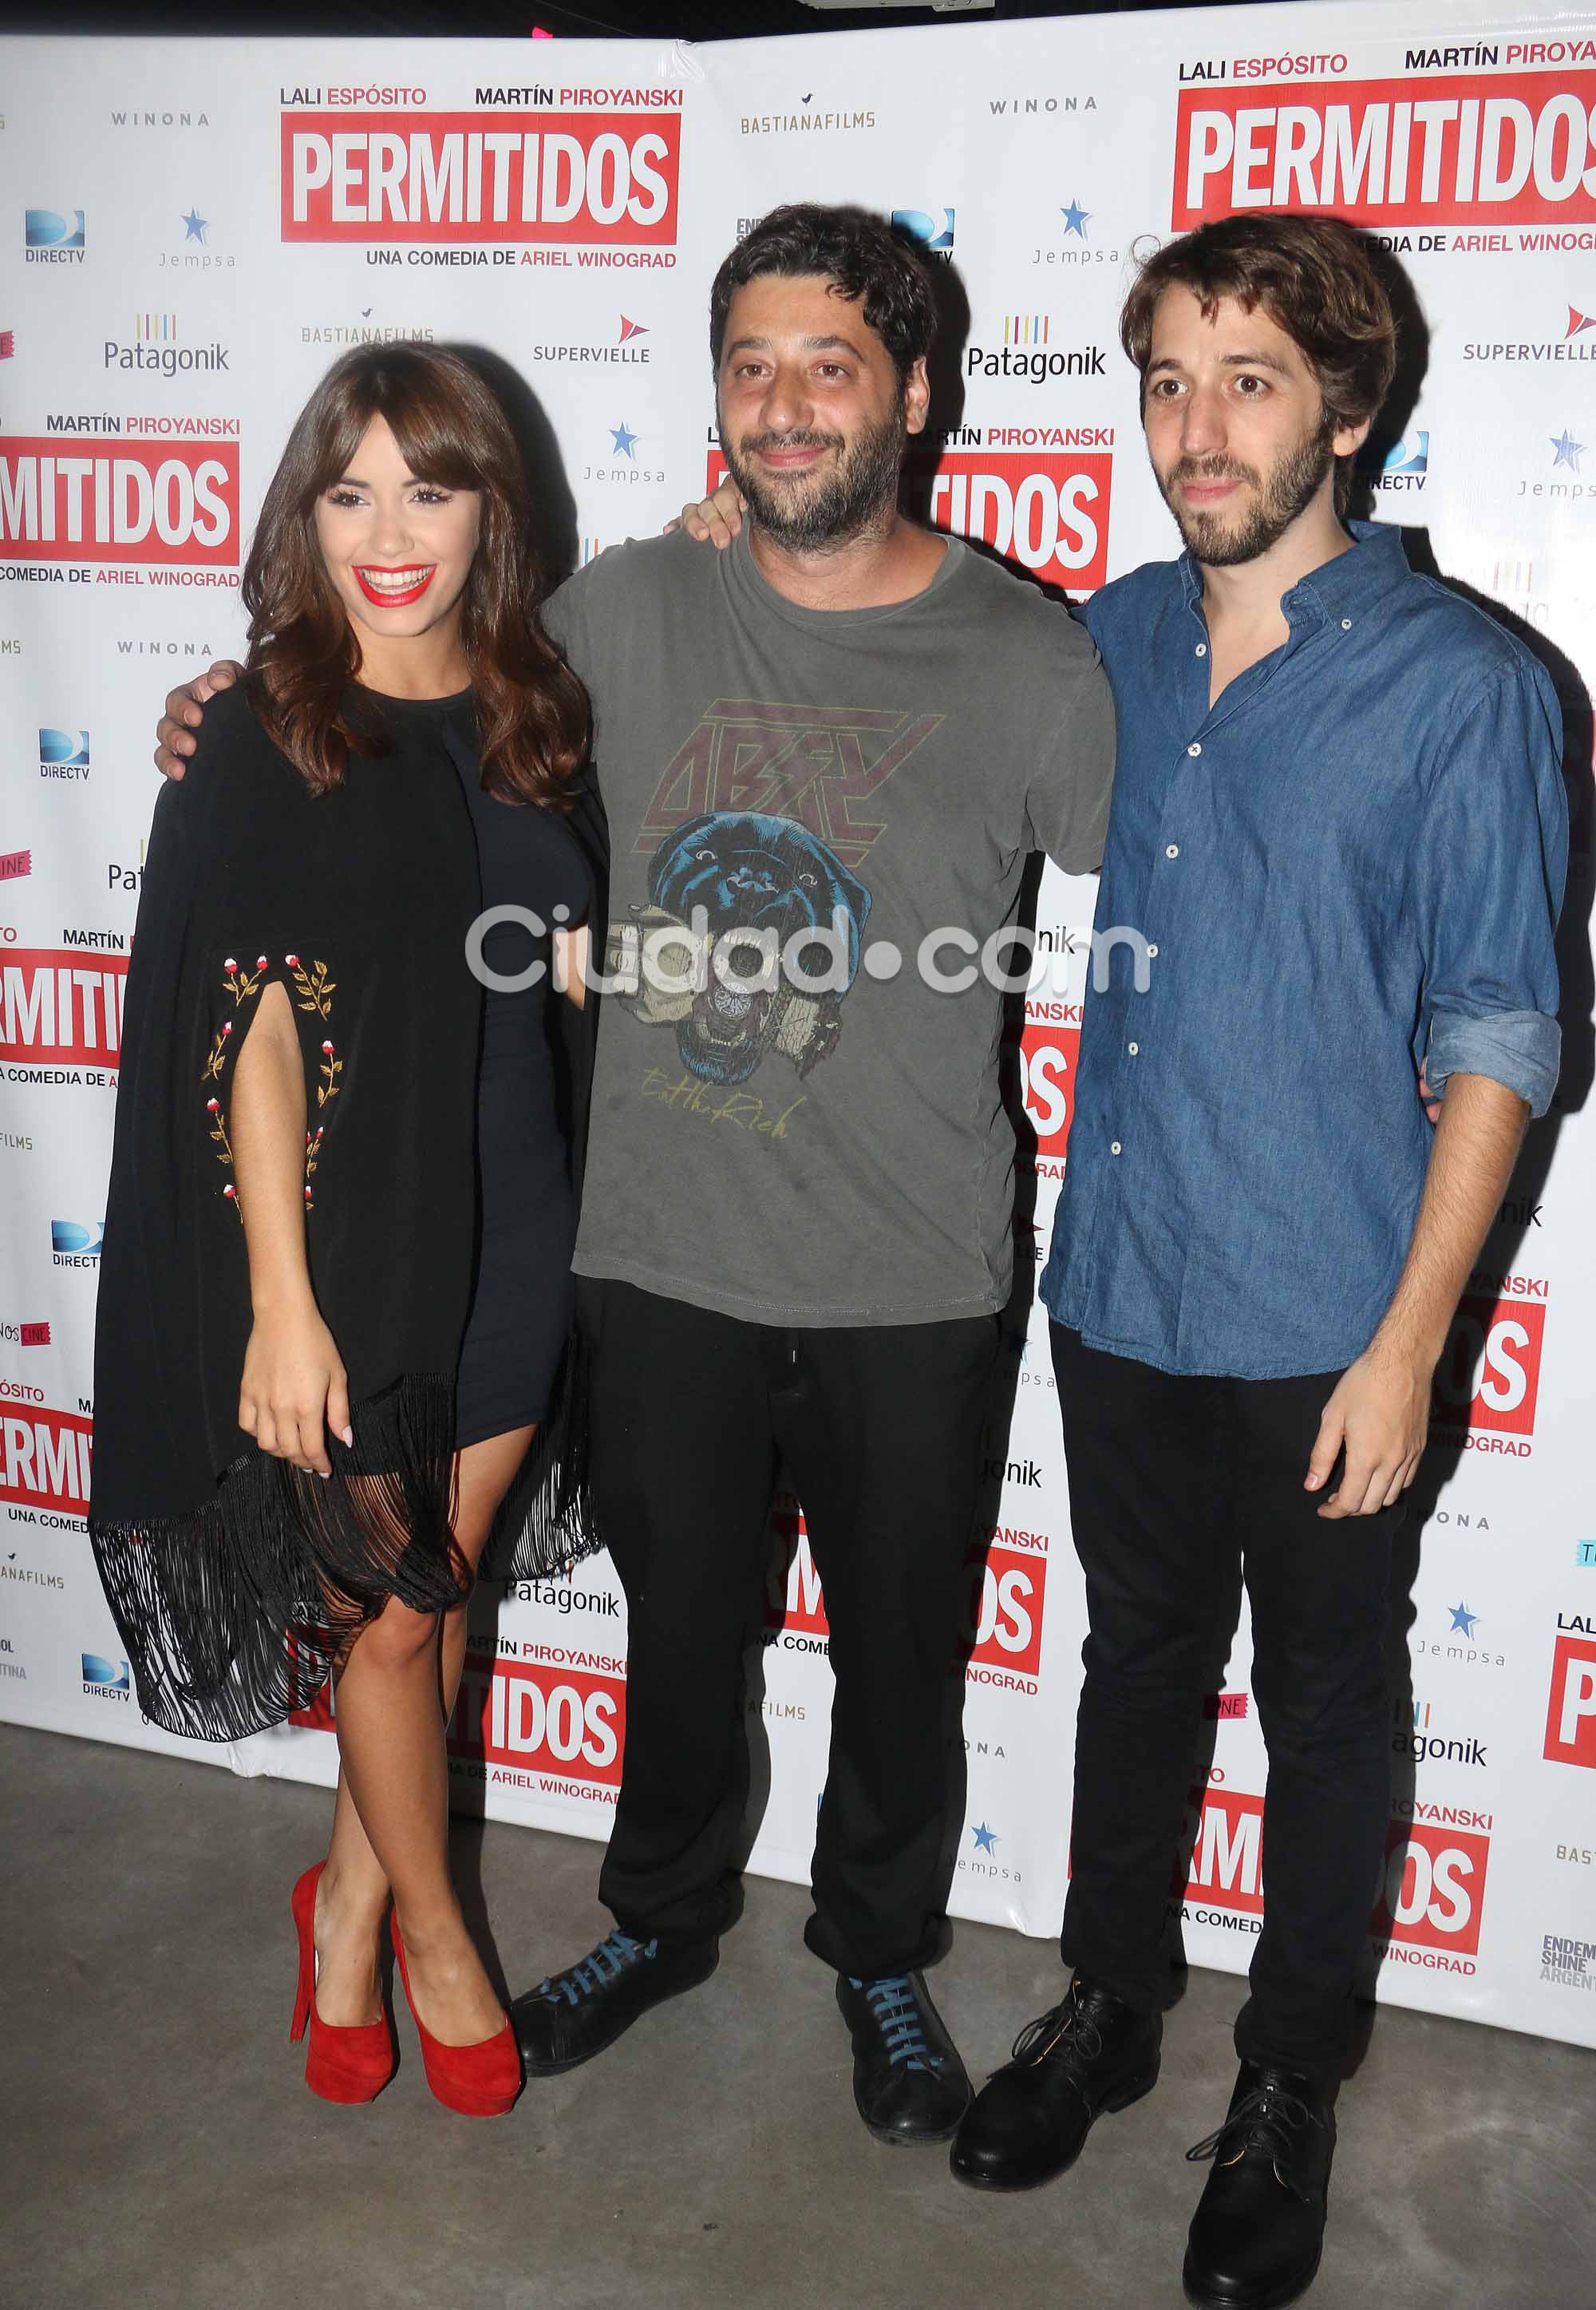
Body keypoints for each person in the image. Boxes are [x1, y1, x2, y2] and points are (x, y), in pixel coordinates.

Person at [156, 204, 1118, 2149]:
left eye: (828, 363)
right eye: (748, 363)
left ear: (917, 396)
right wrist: (218, 718)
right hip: (652, 1247)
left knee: (904, 1650)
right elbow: (410, 697)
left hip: (912, 1262)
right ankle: (659, 1920)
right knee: (679, 1635)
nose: (782, 404)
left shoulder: (1032, 656)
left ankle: (874, 1950)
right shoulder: (617, 614)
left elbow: (1169, 864)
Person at [685, 211, 1567, 2302]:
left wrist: (1413, 1339)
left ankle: (1285, 2085)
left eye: (1250, 379)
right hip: (1121, 1286)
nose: (1197, 426)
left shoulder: (1472, 690)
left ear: (1347, 408)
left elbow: (1507, 1030)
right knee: (1134, 1665)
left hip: (1337, 1314)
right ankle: (1110, 1997)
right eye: (1166, 380)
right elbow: (885, 684)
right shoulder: (1114, 641)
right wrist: (732, 542)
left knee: (1331, 1704)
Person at [98, 342, 597, 2118]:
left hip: (520, 1217)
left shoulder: (539, 705)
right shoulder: (267, 724)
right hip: (346, 1246)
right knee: (388, 1618)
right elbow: (255, 1035)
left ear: (491, 512)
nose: (393, 531)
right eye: (351, 489)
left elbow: (559, 967)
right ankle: (433, 1936)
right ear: (306, 512)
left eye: (432, 487)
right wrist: (284, 1307)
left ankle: (346, 1900)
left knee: (433, 1607)